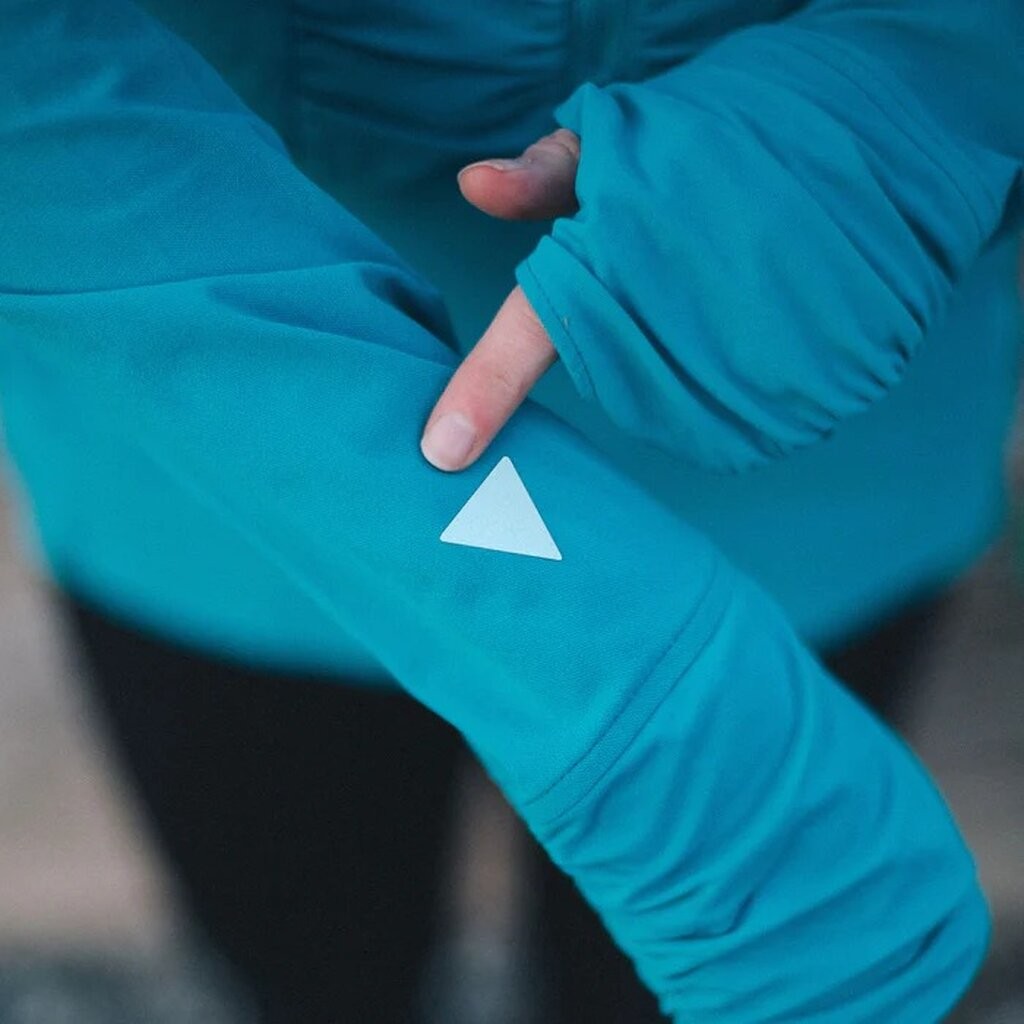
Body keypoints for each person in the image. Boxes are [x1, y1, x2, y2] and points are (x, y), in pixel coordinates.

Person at [1, 0, 1021, 1021]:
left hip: (811, 399)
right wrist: (606, 655)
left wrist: (878, 119)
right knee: (310, 965)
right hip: (211, 499)